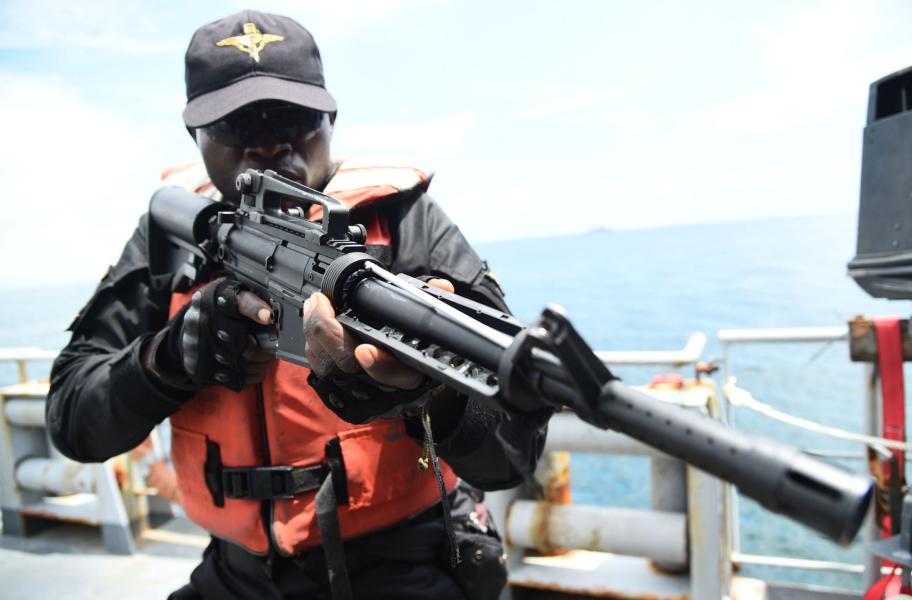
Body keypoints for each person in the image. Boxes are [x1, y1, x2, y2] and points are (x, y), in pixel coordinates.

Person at [46, 10, 551, 600]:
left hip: (403, 561)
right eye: (237, 125)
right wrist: (167, 360)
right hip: (235, 572)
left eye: (294, 119)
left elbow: (511, 450)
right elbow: (74, 420)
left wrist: (428, 396)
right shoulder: (176, 233)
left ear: (330, 119)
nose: (268, 145)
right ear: (197, 138)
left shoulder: (404, 223)